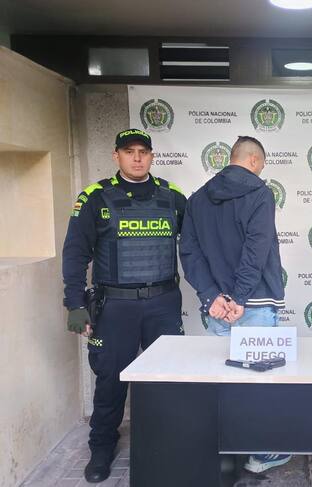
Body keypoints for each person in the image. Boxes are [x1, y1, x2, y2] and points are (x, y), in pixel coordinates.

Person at [62, 128, 186, 483]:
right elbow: (75, 253)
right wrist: (74, 303)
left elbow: (194, 246)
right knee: (111, 379)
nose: (137, 157)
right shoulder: (95, 197)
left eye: (143, 151)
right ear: (116, 155)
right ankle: (102, 446)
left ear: (152, 156)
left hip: (163, 303)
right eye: (129, 151)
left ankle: (170, 442)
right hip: (115, 307)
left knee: (167, 379)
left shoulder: (174, 197)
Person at [179, 135, 288, 473]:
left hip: (218, 307)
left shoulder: (197, 198)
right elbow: (257, 248)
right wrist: (239, 296)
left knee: (223, 380)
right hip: (252, 302)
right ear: (254, 160)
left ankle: (225, 453)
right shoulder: (260, 192)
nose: (261, 169)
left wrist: (211, 295)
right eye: (262, 164)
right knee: (259, 384)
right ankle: (260, 454)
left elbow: (189, 253)